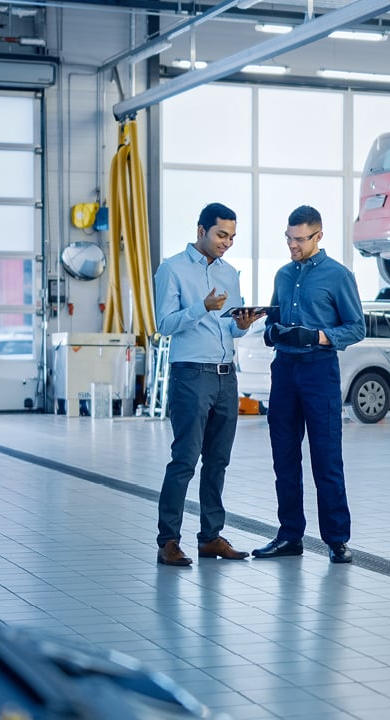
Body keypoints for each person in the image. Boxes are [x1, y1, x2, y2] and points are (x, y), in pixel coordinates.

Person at [252, 206, 365, 564]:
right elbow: (274, 317)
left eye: (300, 239)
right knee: (283, 458)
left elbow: (356, 327)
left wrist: (317, 336)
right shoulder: (283, 275)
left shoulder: (339, 276)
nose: (293, 245)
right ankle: (289, 536)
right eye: (289, 238)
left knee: (326, 459)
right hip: (284, 372)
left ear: (319, 236)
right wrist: (271, 330)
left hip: (319, 373)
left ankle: (336, 540)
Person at [154, 202, 262, 566]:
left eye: (232, 236)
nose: (227, 243)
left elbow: (228, 325)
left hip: (225, 375)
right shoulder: (172, 269)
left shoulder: (230, 273)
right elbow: (165, 325)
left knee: (218, 461)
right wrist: (202, 307)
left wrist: (242, 324)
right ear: (200, 231)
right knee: (184, 460)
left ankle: (210, 537)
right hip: (191, 374)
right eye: (221, 235)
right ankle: (168, 541)